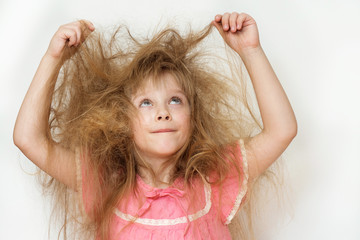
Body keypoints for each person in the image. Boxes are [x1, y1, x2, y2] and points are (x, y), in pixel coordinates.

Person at [13, 12, 297, 240]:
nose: (163, 112)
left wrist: (251, 51)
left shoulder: (216, 181)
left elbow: (281, 131)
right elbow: (29, 139)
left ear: (193, 116)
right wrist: (54, 59)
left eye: (175, 100)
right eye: (146, 103)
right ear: (121, 121)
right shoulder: (105, 183)